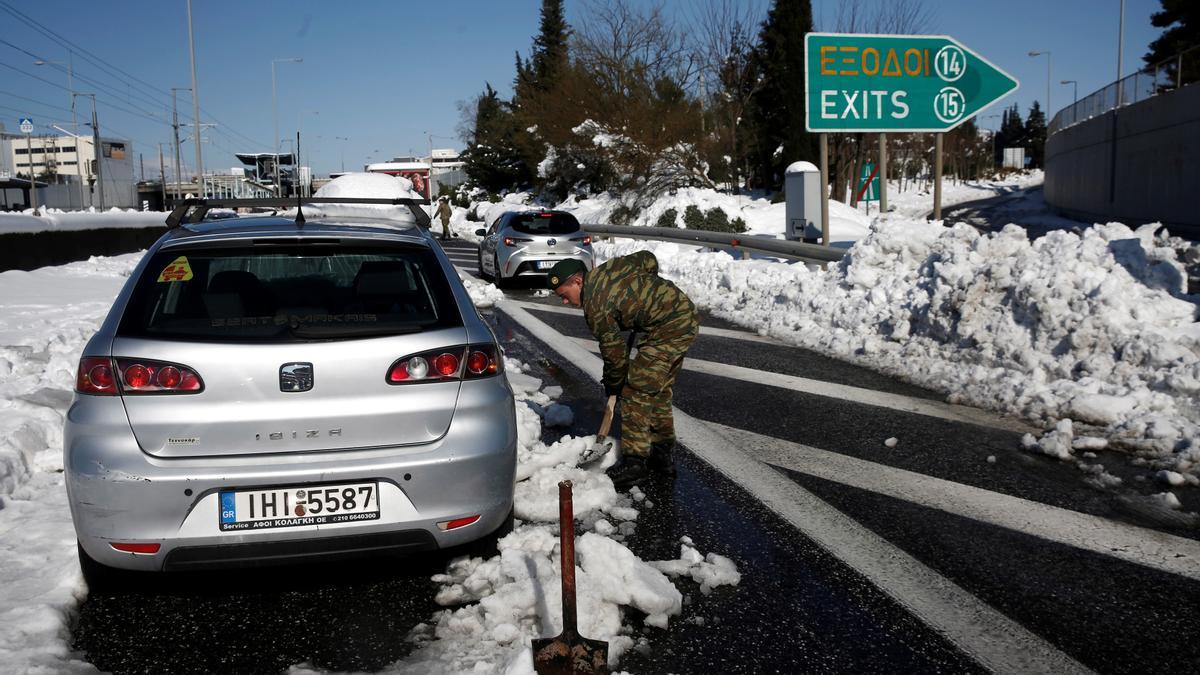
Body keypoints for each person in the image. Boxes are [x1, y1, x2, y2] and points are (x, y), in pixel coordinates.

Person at [548, 252, 699, 489]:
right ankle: (661, 456)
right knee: (656, 392)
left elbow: (614, 354)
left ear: (578, 282)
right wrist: (644, 294)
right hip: (683, 314)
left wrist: (614, 383)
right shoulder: (610, 269)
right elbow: (648, 259)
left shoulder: (595, 306)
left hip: (667, 328)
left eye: (564, 295)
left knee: (635, 389)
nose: (565, 302)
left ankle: (635, 463)